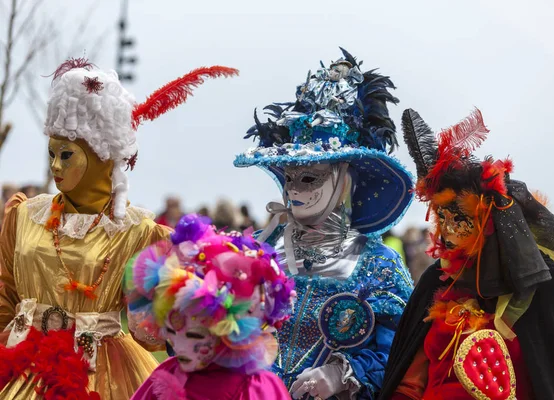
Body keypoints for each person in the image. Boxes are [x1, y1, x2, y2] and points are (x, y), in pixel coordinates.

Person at [0, 59, 238, 399]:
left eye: (67, 155)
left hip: (100, 375)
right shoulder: (25, 215)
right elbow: (5, 297)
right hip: (18, 367)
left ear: (101, 158)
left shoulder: (137, 230)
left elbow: (155, 329)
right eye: (51, 153)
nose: (54, 166)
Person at [379, 108, 554, 400]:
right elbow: (409, 383)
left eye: (459, 218)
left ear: (488, 219)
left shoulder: (548, 290)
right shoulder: (439, 280)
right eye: (441, 217)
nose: (447, 231)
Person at [235, 48, 414, 399]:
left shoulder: (378, 264)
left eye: (310, 179)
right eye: (290, 177)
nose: (294, 190)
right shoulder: (257, 250)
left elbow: (399, 351)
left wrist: (342, 374)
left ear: (344, 181)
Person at [126, 214, 295, 400]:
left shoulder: (253, 387)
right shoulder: (168, 374)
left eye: (195, 335)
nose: (180, 347)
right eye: (171, 333)